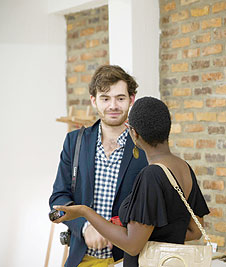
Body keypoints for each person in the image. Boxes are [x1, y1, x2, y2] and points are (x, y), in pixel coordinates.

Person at [53, 97, 210, 267]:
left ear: (134, 133)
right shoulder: (184, 168)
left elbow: (132, 246)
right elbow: (195, 231)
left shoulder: (151, 175)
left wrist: (85, 211)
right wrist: (157, 235)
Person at [49, 65, 148, 267]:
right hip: (80, 258)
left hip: (127, 260)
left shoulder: (146, 147)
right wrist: (85, 227)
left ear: (131, 100)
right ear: (94, 101)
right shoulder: (74, 142)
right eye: (105, 98)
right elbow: (58, 199)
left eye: (120, 98)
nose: (113, 105)